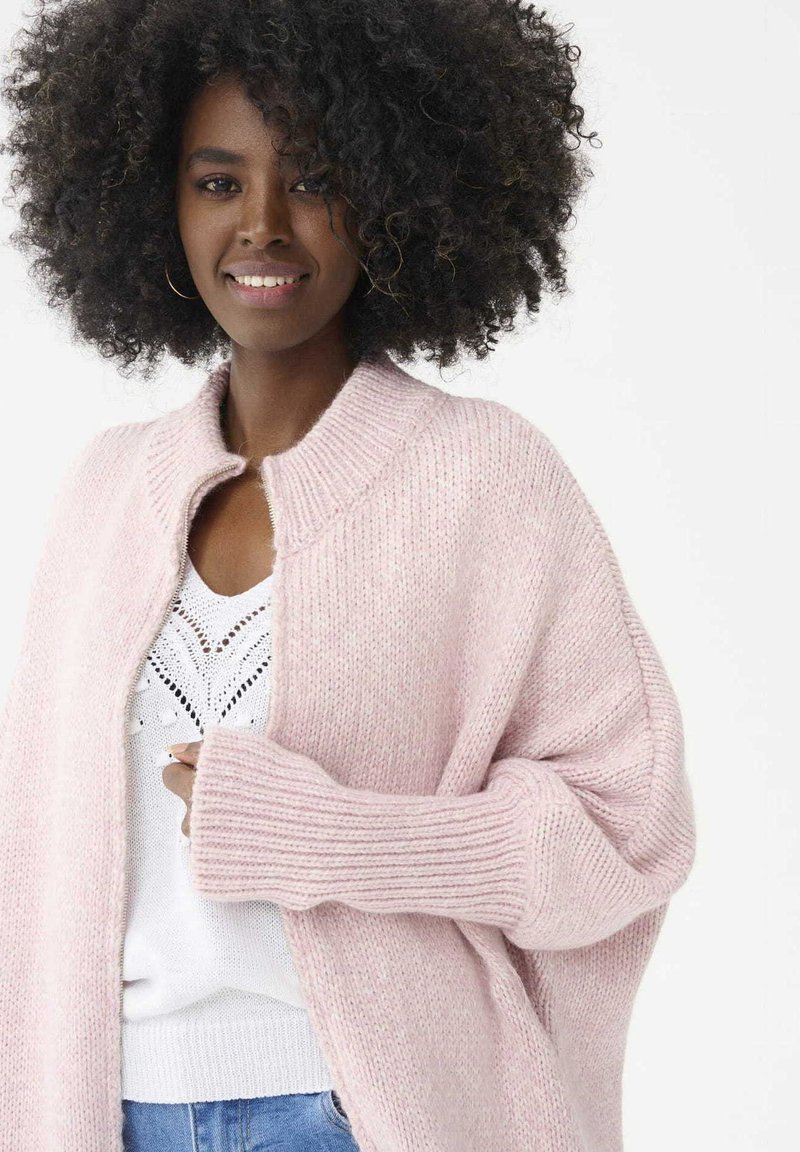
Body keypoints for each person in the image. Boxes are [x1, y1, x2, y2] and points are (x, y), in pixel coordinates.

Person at [0, 2, 696, 1150]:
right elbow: (35, 878)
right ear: (156, 203)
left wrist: (329, 836)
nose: (262, 226)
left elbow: (625, 838)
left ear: (392, 195)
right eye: (217, 182)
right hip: (108, 1112)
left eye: (315, 181)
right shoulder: (104, 490)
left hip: (360, 1114)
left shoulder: (485, 476)